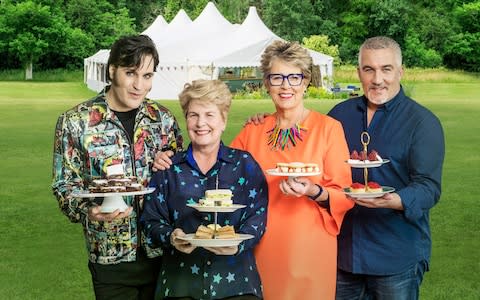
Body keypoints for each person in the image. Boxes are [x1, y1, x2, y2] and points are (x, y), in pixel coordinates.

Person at [51, 34, 183, 299]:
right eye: (130, 73)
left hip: (164, 254)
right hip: (110, 259)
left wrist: (169, 161)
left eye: (147, 76)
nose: (139, 85)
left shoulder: (164, 119)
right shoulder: (75, 122)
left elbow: (182, 174)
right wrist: (89, 210)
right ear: (112, 71)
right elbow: (64, 185)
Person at [229, 40, 353, 299]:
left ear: (306, 81)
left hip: (310, 249)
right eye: (277, 77)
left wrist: (313, 190)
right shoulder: (253, 130)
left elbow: (343, 193)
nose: (286, 86)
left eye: (294, 77)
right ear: (266, 82)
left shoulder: (329, 129)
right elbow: (223, 177)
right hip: (259, 246)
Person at [328, 36, 445, 299]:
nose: (377, 79)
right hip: (343, 254)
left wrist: (394, 199)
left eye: (386, 69)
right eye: (369, 69)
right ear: (359, 72)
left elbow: (429, 188)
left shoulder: (422, 122)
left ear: (400, 71)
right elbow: (311, 151)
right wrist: (266, 120)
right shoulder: (339, 115)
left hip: (396, 256)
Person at [142, 79, 268, 300]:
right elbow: (150, 220)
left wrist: (239, 244)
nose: (201, 123)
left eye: (209, 115)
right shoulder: (168, 168)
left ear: (223, 120)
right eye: (193, 115)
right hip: (180, 286)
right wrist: (171, 236)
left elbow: (257, 218)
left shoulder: (245, 164)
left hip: (236, 285)